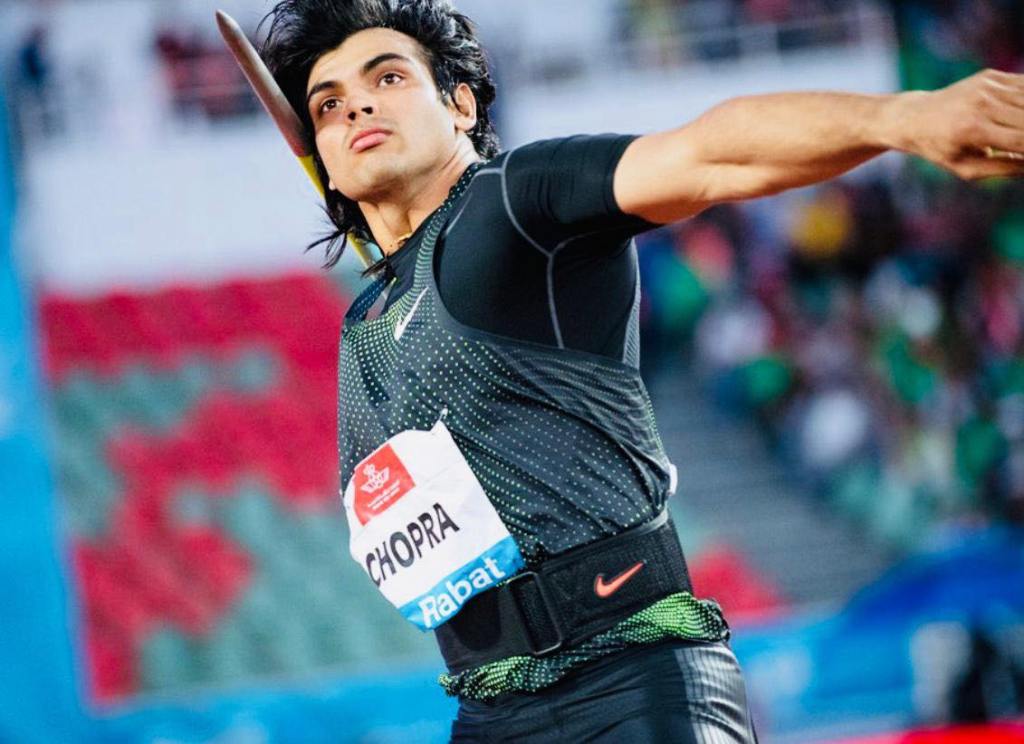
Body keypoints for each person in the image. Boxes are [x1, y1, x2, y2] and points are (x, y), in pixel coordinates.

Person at [258, 1, 1024, 740]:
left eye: (388, 77)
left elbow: (709, 154)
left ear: (460, 105)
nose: (357, 107)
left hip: (631, 678)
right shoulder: (366, 323)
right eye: (329, 104)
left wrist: (901, 119)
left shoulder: (514, 204)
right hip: (489, 708)